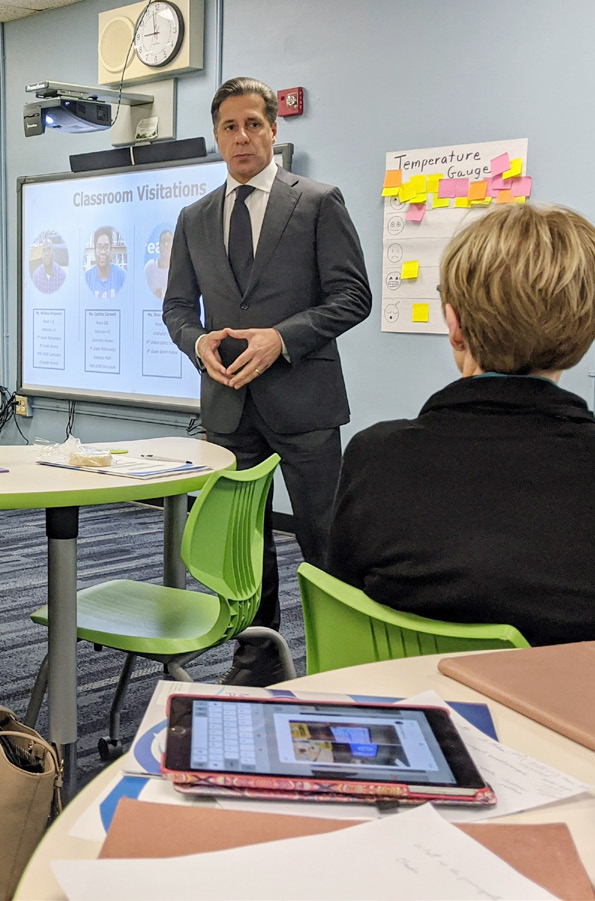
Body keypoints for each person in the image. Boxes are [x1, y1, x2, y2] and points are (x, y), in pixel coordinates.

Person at [327, 203, 595, 646]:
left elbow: (342, 604)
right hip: (576, 713)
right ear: (589, 330)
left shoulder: (374, 455)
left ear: (453, 324)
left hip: (412, 706)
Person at [162, 76, 371, 686]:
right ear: (217, 136)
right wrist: (196, 342)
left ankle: (345, 660)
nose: (242, 137)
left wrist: (282, 338)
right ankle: (256, 662)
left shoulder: (317, 201)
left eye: (254, 124)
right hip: (227, 404)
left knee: (324, 540)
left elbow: (351, 296)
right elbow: (177, 308)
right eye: (229, 126)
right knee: (243, 549)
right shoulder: (194, 217)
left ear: (275, 131)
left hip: (305, 400)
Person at [84, 226, 127, 298]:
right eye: (99, 247)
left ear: (111, 250)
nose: (103, 252)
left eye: (106, 247)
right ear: (94, 250)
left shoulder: (122, 276)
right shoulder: (87, 277)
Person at [145, 229, 173, 300]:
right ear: (159, 245)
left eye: (169, 241)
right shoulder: (150, 266)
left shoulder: (178, 269)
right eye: (163, 241)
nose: (166, 244)